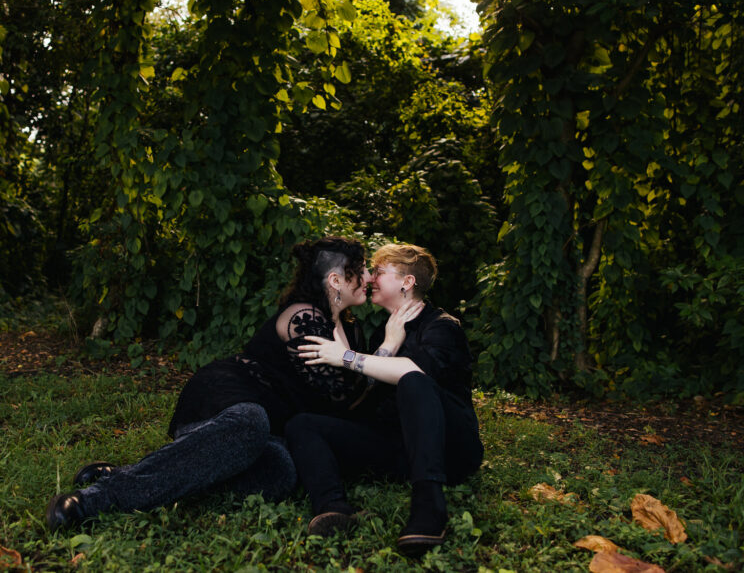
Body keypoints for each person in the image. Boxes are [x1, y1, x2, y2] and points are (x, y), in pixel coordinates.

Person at [46, 236, 372, 531]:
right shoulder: (304, 317)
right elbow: (339, 396)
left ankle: (133, 474)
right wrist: (387, 354)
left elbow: (350, 406)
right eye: (362, 269)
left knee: (280, 471)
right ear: (336, 280)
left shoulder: (352, 330)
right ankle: (97, 498)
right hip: (231, 397)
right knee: (250, 422)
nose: (369, 277)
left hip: (270, 428)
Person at [289, 243, 483, 556]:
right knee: (303, 425)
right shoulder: (384, 329)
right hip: (400, 446)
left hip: (451, 450)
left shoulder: (443, 326)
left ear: (407, 282)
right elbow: (368, 392)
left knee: (412, 382)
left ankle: (430, 507)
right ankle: (334, 508)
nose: (371, 277)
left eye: (380, 271)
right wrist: (386, 345)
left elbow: (412, 373)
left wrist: (346, 356)